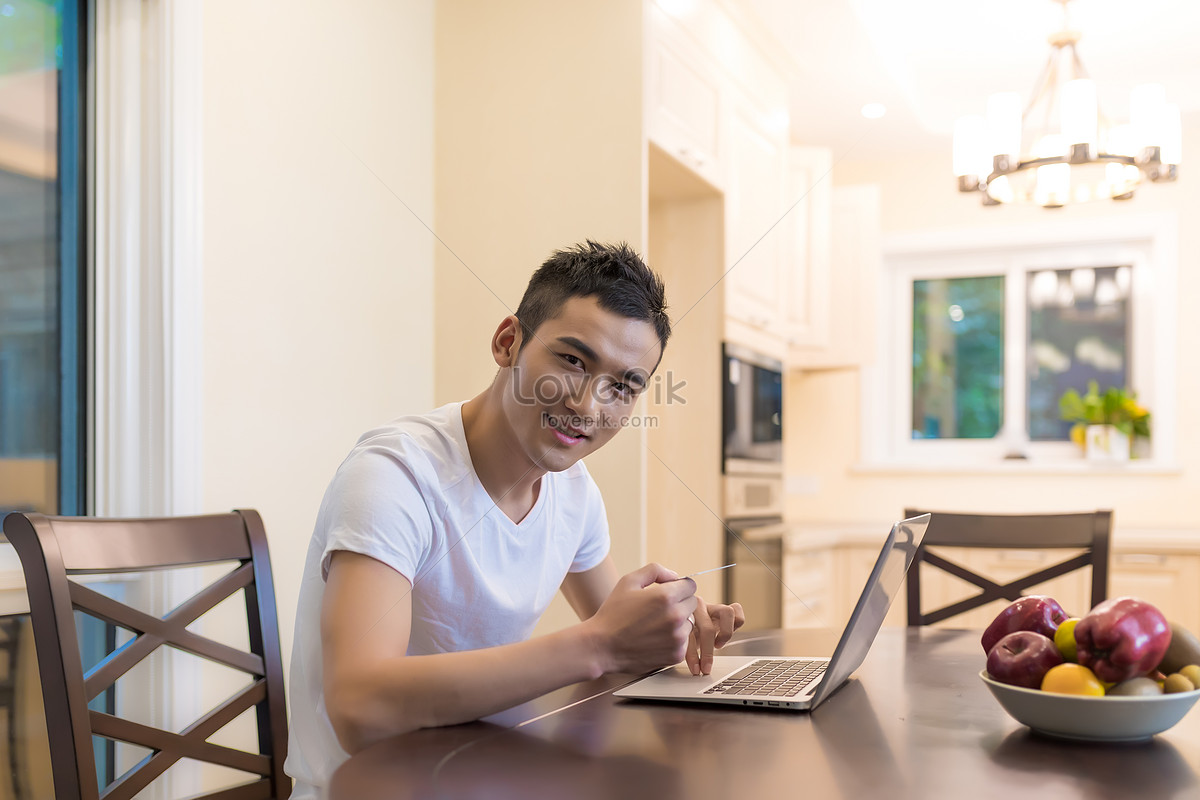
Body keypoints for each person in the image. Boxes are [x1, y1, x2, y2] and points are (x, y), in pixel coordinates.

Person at [284, 241, 745, 798]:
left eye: (623, 387)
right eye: (573, 361)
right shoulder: (395, 475)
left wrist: (670, 626)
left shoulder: (574, 493)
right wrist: (599, 643)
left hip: (491, 774)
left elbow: (618, 638)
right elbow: (359, 707)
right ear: (509, 343)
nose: (589, 406)